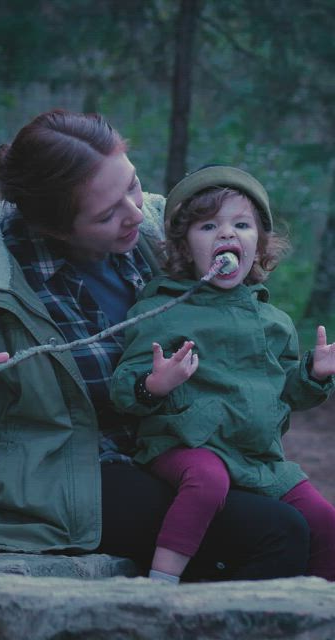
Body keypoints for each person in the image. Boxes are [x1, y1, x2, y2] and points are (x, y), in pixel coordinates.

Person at [0, 111, 310, 581]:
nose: (136, 212)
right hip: (69, 473)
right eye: (107, 213)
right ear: (53, 229)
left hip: (171, 444)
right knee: (274, 533)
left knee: (306, 524)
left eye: (131, 186)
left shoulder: (161, 233)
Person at [111, 164, 335, 584]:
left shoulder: (273, 321)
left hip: (255, 456)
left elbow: (287, 391)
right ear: (182, 246)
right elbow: (123, 390)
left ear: (259, 243)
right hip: (183, 444)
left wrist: (314, 374)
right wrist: (154, 385)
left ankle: (318, 609)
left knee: (325, 519)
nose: (227, 234)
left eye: (242, 225)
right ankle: (159, 584)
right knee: (207, 479)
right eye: (208, 226)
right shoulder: (161, 312)